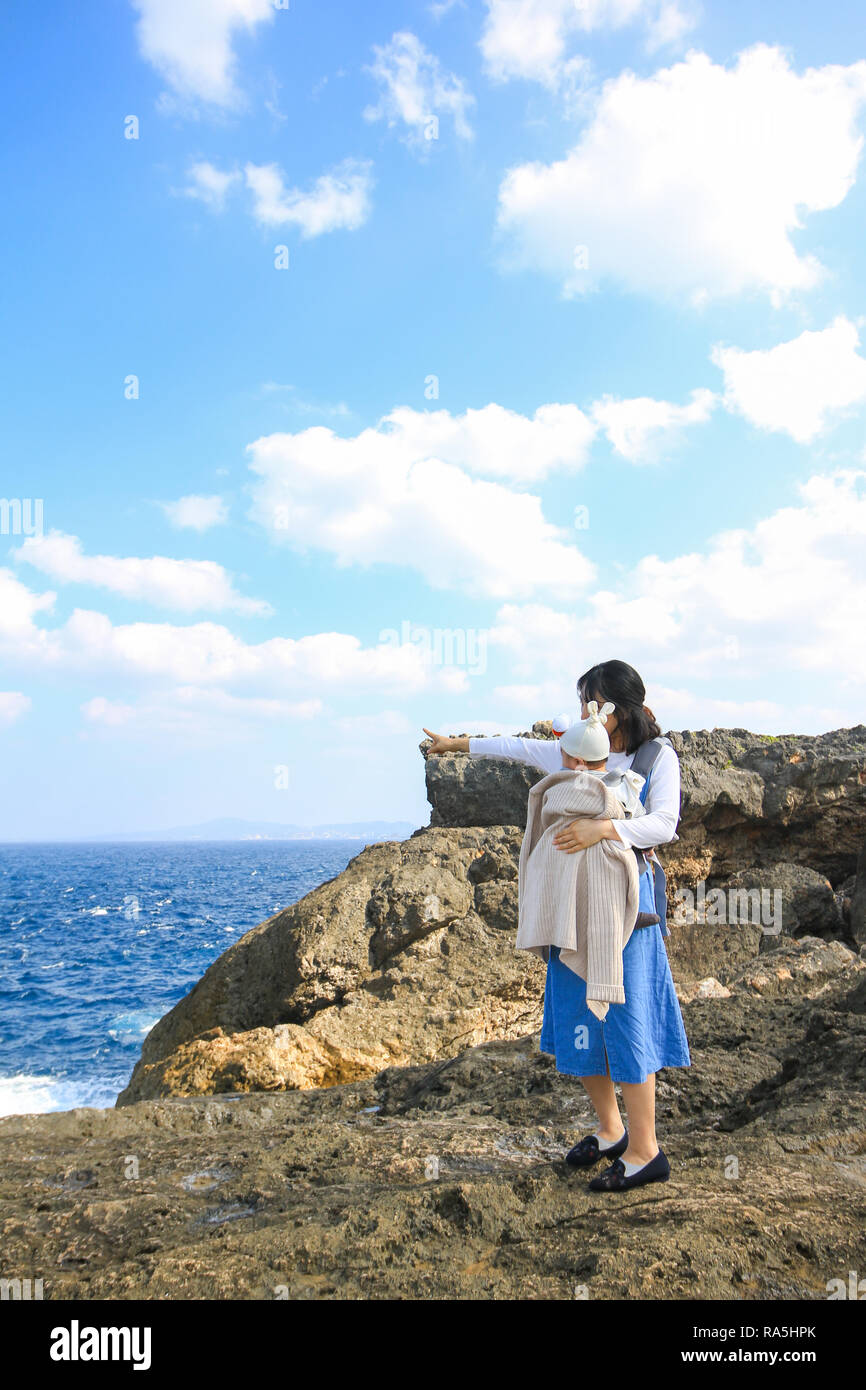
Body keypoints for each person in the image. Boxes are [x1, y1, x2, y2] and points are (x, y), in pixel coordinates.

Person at [423, 659, 691, 1193]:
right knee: (578, 1014)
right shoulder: (577, 746)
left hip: (626, 906)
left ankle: (645, 1150)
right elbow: (517, 748)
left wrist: (602, 830)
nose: (583, 711)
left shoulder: (656, 756)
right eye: (581, 701)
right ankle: (611, 1130)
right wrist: (456, 745)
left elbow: (664, 823)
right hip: (568, 907)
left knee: (627, 1016)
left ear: (618, 707)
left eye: (591, 701)